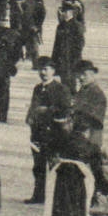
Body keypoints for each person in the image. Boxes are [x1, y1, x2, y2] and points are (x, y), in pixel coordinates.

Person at [41, 111, 100, 216]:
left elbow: (47, 149)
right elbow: (97, 167)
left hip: (60, 176)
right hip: (78, 179)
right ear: (86, 131)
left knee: (59, 208)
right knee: (77, 209)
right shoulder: (90, 146)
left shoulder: (63, 139)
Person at [23, 57, 70, 204]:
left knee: (54, 166)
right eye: (40, 69)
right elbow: (33, 106)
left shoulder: (61, 88)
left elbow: (66, 109)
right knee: (38, 166)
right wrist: (30, 118)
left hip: (54, 133)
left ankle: (56, 197)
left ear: (53, 71)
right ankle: (38, 195)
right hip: (38, 133)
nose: (43, 73)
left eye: (46, 69)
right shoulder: (37, 88)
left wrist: (47, 110)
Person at [69, 60, 107, 149]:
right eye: (78, 74)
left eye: (84, 74)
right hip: (79, 137)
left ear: (92, 74)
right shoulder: (83, 90)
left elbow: (94, 120)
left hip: (90, 140)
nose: (81, 77)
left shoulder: (97, 94)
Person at [52, 5, 85, 87]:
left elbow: (80, 42)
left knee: (71, 79)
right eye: (64, 12)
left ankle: (72, 96)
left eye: (68, 12)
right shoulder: (60, 26)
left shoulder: (77, 26)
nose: (65, 14)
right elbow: (56, 43)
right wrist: (54, 58)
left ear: (72, 13)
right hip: (61, 57)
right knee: (63, 78)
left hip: (72, 57)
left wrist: (76, 55)